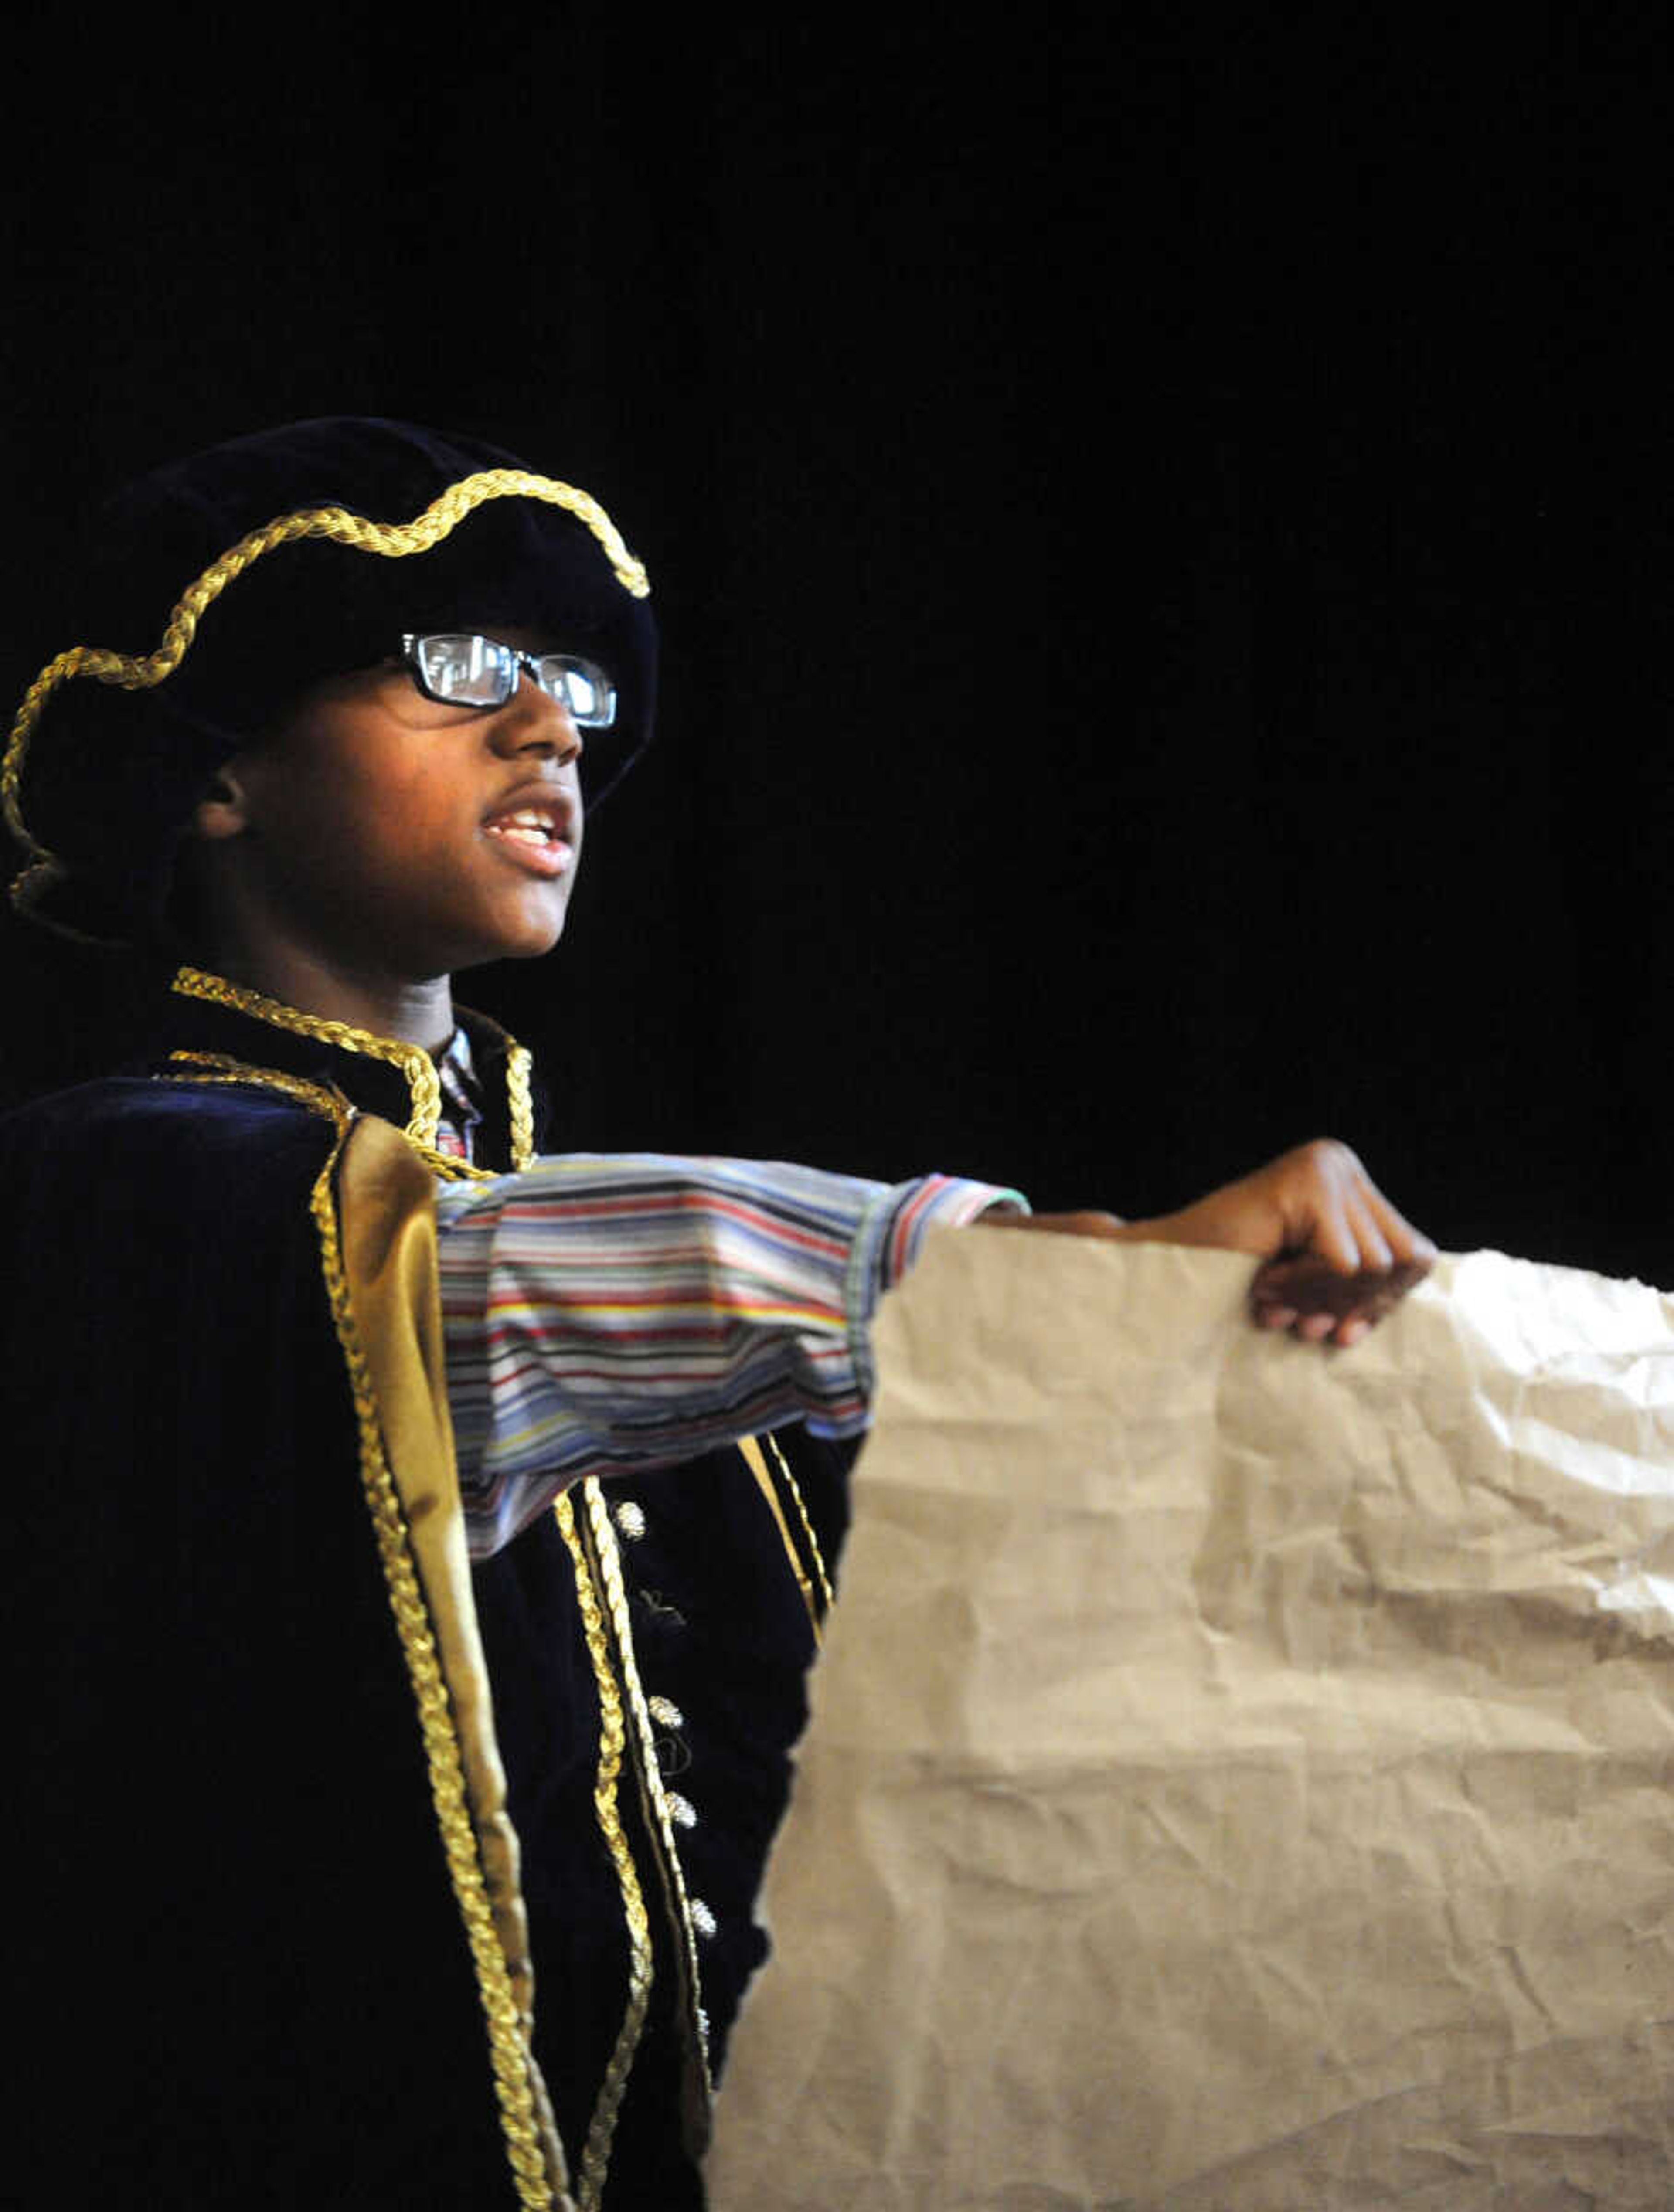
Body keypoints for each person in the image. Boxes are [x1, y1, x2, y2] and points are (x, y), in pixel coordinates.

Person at [0, 418, 1433, 2211]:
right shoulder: (133, 1192)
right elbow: (484, 1289)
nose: (548, 729)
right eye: (455, 671)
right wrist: (1041, 1274)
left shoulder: (566, 1233)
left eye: (570, 688)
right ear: (220, 772)